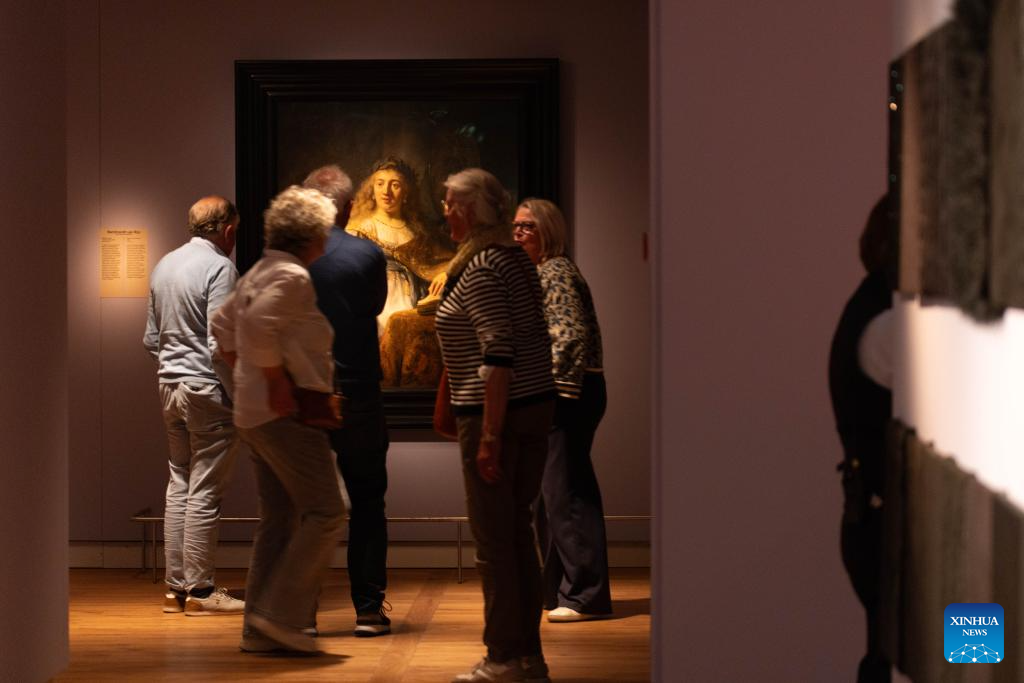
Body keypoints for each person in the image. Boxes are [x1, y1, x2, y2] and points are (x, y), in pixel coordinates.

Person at [210, 186, 346, 654]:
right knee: (328, 511)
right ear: (311, 234)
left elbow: (222, 325)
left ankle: (257, 631)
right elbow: (257, 324)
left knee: (279, 517)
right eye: (325, 229)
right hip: (284, 416)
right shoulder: (292, 275)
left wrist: (247, 375)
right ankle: (281, 617)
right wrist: (274, 382)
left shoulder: (260, 271)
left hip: (253, 416)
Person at [435, 169, 556, 683]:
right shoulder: (513, 258)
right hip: (531, 411)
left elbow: (498, 355)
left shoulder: (483, 266)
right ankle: (527, 657)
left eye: (449, 203)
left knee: (494, 542)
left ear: (468, 211)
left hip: (497, 418)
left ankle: (503, 656)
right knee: (516, 533)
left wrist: (488, 435)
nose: (443, 210)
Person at [143, 195, 244, 616]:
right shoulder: (220, 267)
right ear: (228, 230)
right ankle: (201, 591)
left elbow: (151, 339)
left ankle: (175, 591)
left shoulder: (164, 265)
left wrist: (176, 370)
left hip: (169, 386)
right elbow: (221, 345)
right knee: (204, 490)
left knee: (179, 484)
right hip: (207, 390)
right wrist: (238, 394)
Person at [513, 198, 612, 622]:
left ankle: (586, 595)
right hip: (567, 392)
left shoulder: (555, 271)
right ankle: (558, 590)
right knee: (552, 495)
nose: (518, 233)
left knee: (566, 492)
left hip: (568, 393)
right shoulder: (544, 272)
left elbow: (569, 337)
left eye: (528, 227)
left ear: (548, 232)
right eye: (516, 227)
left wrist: (552, 394)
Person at [303, 165, 393, 636]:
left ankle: (302, 613)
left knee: (306, 506)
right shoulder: (366, 253)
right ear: (349, 207)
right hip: (358, 388)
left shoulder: (292, 256)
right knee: (368, 501)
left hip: (307, 391)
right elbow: (374, 306)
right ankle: (368, 609)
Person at [827, 196, 895, 683]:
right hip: (893, 539)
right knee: (969, 656)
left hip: (879, 529)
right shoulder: (891, 325)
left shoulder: (875, 308)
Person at [346, 156, 453, 334]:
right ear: (372, 189)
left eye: (395, 185)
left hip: (415, 301)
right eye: (380, 184)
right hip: (379, 303)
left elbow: (445, 262)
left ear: (406, 193)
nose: (386, 191)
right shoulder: (360, 228)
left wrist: (445, 272)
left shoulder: (417, 231)